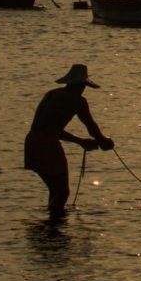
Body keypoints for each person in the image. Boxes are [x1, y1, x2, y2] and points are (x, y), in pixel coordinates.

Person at [24, 64, 115, 222]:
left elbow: (50, 129)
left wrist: (80, 142)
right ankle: (55, 225)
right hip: (47, 145)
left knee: (56, 189)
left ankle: (52, 225)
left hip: (32, 141)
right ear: (82, 85)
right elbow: (91, 127)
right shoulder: (78, 101)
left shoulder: (52, 94)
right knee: (62, 191)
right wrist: (103, 141)